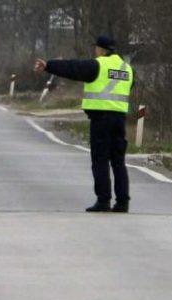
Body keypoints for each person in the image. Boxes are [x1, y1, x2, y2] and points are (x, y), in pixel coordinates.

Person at [35, 35, 134, 213]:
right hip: (119, 119)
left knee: (100, 160)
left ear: (102, 50)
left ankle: (103, 201)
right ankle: (122, 202)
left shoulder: (97, 66)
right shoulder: (127, 69)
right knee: (118, 161)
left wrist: (49, 65)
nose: (95, 51)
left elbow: (73, 68)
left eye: (96, 48)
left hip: (101, 119)